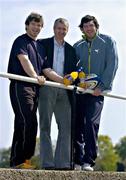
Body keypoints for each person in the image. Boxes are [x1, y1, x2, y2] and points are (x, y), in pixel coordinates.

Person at [73, 15, 118, 171]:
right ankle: (77, 160)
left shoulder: (108, 42)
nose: (89, 28)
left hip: (97, 92)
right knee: (77, 125)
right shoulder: (77, 46)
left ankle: (88, 161)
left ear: (96, 26)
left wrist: (102, 86)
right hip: (80, 90)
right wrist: (79, 80)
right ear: (82, 29)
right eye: (85, 26)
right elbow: (75, 68)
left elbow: (112, 65)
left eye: (91, 25)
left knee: (91, 124)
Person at [7, 12, 47, 169]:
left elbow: (47, 69)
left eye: (39, 25)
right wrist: (36, 76)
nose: (36, 27)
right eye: (33, 24)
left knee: (22, 123)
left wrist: (63, 80)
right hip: (21, 85)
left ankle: (20, 161)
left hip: (35, 88)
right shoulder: (21, 41)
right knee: (28, 121)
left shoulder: (40, 47)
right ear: (27, 25)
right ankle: (21, 160)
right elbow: (24, 60)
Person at [38, 18, 78, 170]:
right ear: (54, 28)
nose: (61, 31)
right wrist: (63, 80)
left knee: (66, 126)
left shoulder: (71, 50)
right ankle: (47, 164)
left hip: (65, 91)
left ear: (67, 31)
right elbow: (44, 67)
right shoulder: (42, 44)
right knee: (45, 126)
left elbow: (73, 72)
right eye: (59, 28)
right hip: (47, 87)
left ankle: (62, 164)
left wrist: (71, 78)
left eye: (64, 29)